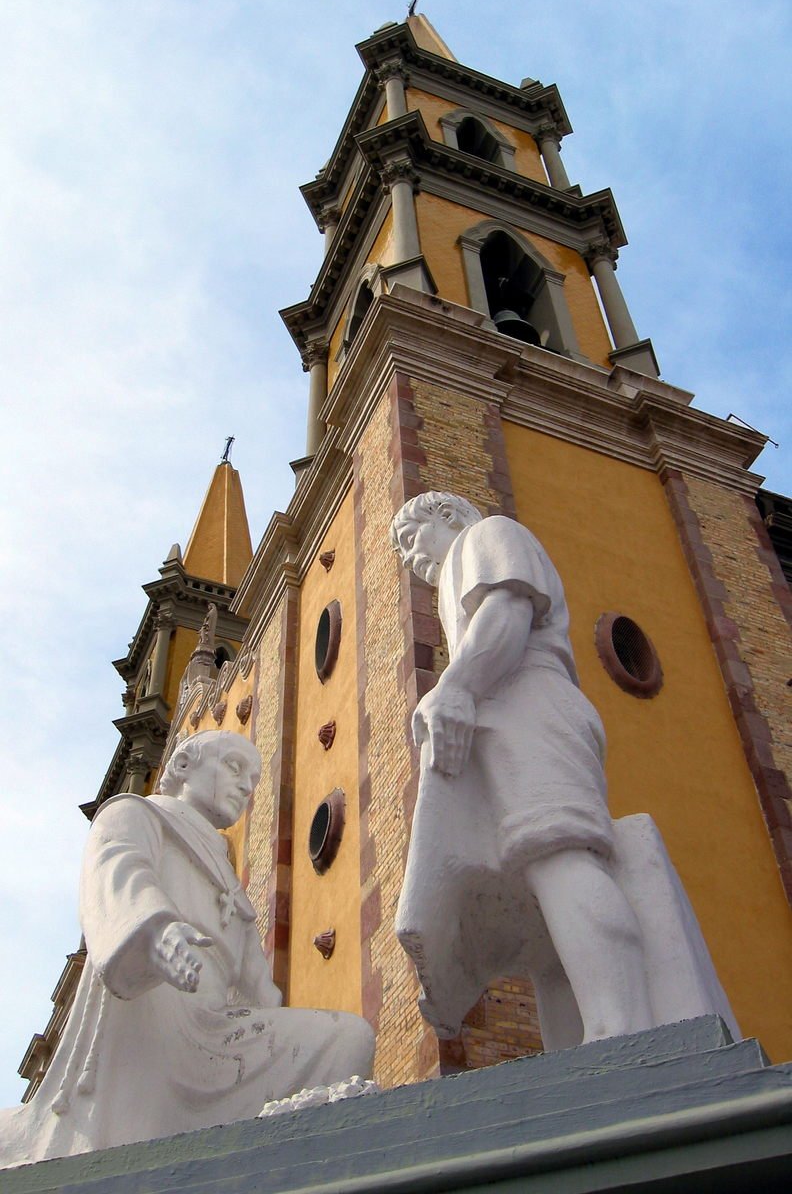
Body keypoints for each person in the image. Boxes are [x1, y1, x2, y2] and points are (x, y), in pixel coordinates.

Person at [0, 731, 374, 1167]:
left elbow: (259, 990)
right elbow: (118, 875)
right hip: (152, 1009)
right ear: (181, 767)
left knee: (346, 1039)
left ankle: (270, 1162)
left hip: (217, 1031)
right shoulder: (134, 815)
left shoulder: (228, 880)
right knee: (152, 1007)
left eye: (253, 780)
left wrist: (268, 1012)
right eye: (234, 767)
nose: (245, 786)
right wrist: (158, 932)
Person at [391, 492, 655, 1049]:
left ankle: (624, 1028)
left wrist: (458, 686)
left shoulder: (485, 536)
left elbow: (507, 609)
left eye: (413, 538)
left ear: (447, 515)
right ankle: (585, 1039)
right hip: (511, 712)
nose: (410, 558)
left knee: (559, 854)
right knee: (541, 907)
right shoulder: (457, 570)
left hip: (529, 705)